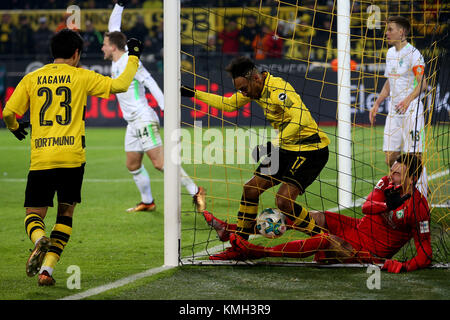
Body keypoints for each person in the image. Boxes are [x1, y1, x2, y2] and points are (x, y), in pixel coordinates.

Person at [2, 29, 143, 286]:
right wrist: (133, 56)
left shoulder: (32, 78)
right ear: (76, 53)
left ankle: (38, 239)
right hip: (72, 158)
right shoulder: (82, 76)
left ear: (53, 52)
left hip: (42, 158)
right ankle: (47, 271)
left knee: (33, 214)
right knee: (65, 214)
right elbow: (120, 85)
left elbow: (8, 112)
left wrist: (15, 127)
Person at [181, 56, 330, 259]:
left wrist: (274, 144)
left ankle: (324, 241)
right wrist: (193, 93)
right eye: (240, 89)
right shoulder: (254, 90)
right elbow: (228, 104)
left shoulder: (278, 90)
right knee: (251, 189)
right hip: (286, 147)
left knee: (284, 202)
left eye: (243, 88)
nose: (242, 93)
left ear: (256, 79)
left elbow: (301, 119)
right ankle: (240, 246)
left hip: (310, 148)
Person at [219, 154, 433, 273]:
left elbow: (426, 253)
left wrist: (404, 267)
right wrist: (387, 204)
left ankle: (257, 251)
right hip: (356, 228)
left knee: (327, 240)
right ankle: (235, 229)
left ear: (412, 180)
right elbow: (366, 208)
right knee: (317, 216)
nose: (390, 175)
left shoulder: (419, 208)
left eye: (397, 173)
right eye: (392, 170)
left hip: (366, 251)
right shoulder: (386, 183)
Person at [105, 1, 205, 212]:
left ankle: (195, 190)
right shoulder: (116, 58)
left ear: (112, 46)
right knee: (132, 164)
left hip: (143, 117)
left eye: (105, 44)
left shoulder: (130, 62)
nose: (102, 46)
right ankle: (148, 202)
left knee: (160, 163)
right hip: (132, 122)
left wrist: (164, 106)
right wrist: (119, 5)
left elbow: (150, 81)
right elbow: (113, 25)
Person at [369, 16, 428, 198]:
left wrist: (408, 100)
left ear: (401, 32)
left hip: (412, 111)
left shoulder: (414, 54)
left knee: (414, 156)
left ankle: (421, 194)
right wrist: (377, 103)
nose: (386, 33)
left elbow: (423, 84)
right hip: (395, 112)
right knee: (390, 157)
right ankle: (403, 188)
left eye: (390, 29)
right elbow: (389, 82)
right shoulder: (390, 54)